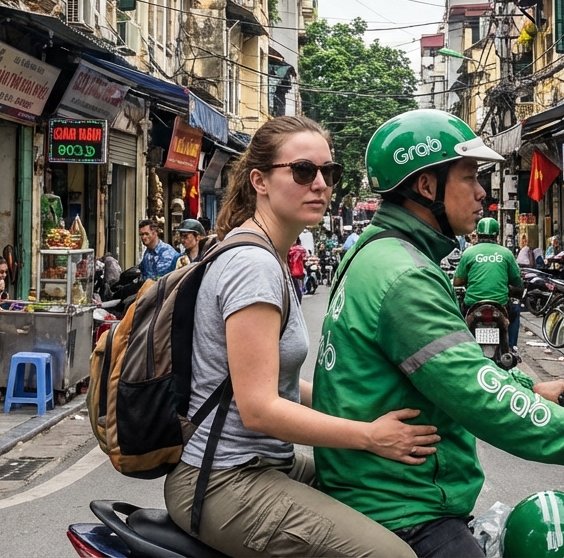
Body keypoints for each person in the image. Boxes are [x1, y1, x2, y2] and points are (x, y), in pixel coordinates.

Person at [312, 110, 564, 557]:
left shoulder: (375, 253)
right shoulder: (405, 276)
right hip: (403, 507)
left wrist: (529, 386)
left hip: (387, 489)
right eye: (469, 177)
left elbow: (458, 366)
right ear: (427, 186)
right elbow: (477, 396)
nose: (482, 192)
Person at [163, 115, 434, 558]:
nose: (321, 184)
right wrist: (368, 435)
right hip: (226, 481)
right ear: (260, 181)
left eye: (330, 172)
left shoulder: (264, 253)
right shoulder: (254, 265)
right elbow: (260, 408)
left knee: (378, 492)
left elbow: (280, 386)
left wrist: (364, 405)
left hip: (264, 466)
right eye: (304, 171)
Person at [453, 218, 523, 348]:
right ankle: (512, 348)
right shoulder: (506, 253)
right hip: (501, 305)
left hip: (472, 304)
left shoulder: (468, 253)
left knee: (458, 317)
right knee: (516, 309)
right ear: (497, 235)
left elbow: (457, 281)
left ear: (478, 234)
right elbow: (516, 281)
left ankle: (461, 346)